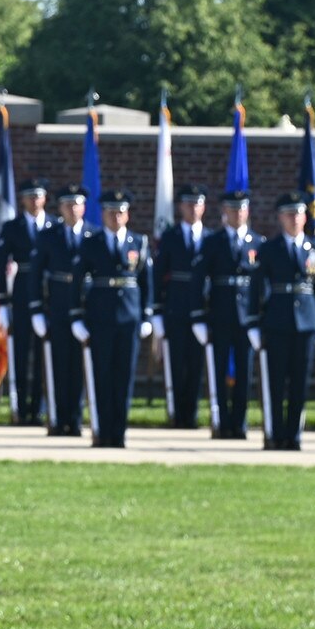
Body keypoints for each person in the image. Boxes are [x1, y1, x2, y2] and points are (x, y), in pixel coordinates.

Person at [73, 188, 154, 448]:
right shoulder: (90, 242)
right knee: (102, 375)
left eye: (120, 212)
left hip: (129, 318)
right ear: (103, 214)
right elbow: (77, 281)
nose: (115, 216)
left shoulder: (138, 242)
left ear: (127, 215)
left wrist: (146, 316)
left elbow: (145, 282)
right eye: (110, 212)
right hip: (100, 317)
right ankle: (102, 430)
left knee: (124, 376)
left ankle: (119, 432)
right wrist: (77, 317)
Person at [249, 194, 315, 451]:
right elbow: (257, 288)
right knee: (276, 381)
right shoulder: (270, 249)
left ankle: (294, 435)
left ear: (305, 217)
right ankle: (275, 433)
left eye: (299, 214)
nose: (294, 219)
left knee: (300, 382)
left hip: (306, 321)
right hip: (278, 321)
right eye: (289, 214)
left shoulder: (314, 247)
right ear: (280, 217)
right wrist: (254, 322)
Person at [194, 189, 259, 440]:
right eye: (232, 209)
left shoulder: (257, 242)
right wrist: (199, 316)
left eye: (242, 209)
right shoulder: (213, 241)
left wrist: (258, 317)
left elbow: (260, 285)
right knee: (219, 371)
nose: (237, 213)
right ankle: (221, 422)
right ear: (224, 212)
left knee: (244, 372)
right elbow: (199, 279)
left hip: (246, 318)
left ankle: (240, 422)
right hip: (219, 315)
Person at [27, 184, 89, 436]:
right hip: (58, 308)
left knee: (80, 368)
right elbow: (35, 275)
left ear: (84, 207)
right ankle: (57, 416)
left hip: (85, 311)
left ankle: (75, 418)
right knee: (58, 366)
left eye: (76, 204)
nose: (72, 209)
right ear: (60, 208)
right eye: (67, 204)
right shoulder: (48, 236)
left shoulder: (92, 236)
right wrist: (36, 310)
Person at [0, 179, 49, 423]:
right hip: (22, 293)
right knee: (21, 353)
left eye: (38, 195)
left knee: (42, 356)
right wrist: (3, 302)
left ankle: (40, 407)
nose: (34, 200)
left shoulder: (54, 226)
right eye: (30, 196)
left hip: (47, 295)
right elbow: (0, 264)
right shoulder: (12, 228)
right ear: (23, 200)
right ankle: (22, 407)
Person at [154, 183, 208, 429]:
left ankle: (192, 413)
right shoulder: (170, 236)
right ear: (180, 207)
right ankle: (176, 413)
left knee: (196, 365)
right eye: (188, 203)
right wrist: (156, 311)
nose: (193, 208)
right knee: (176, 363)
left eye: (197, 203)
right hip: (175, 308)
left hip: (201, 311)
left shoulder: (211, 238)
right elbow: (158, 275)